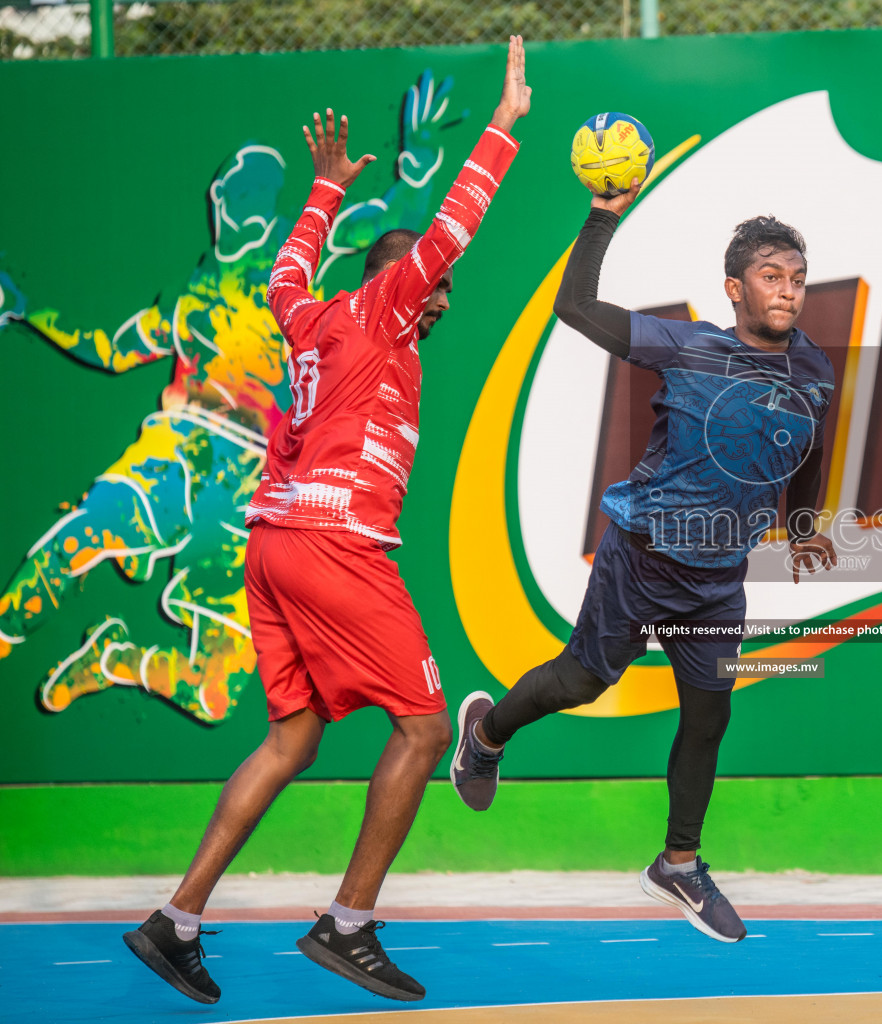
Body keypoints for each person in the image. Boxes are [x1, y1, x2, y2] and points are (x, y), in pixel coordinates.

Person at [120, 36, 532, 1006]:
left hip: (274, 546)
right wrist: (502, 128)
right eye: (434, 288)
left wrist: (325, 189)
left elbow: (282, 279)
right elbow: (449, 232)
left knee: (291, 740)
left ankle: (173, 919)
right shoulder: (386, 307)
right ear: (405, 283)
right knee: (427, 729)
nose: (440, 300)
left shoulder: (312, 320)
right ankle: (348, 923)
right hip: (334, 543)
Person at [0, 69, 464, 724]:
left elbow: (391, 237)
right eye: (230, 191)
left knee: (215, 694)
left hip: (250, 486)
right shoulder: (194, 299)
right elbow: (105, 347)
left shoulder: (297, 276)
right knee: (76, 539)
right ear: (217, 202)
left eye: (253, 193)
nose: (235, 202)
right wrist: (29, 313)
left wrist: (413, 166)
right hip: (180, 450)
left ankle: (112, 661)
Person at [449, 181, 838, 944]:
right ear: (735, 288)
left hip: (718, 579)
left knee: (709, 716)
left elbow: (806, 448)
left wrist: (801, 525)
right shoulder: (690, 344)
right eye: (771, 276)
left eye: (796, 278)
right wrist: (601, 219)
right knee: (581, 681)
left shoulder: (816, 372)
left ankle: (679, 864)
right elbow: (576, 310)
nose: (787, 290)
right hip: (643, 557)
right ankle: (487, 734)